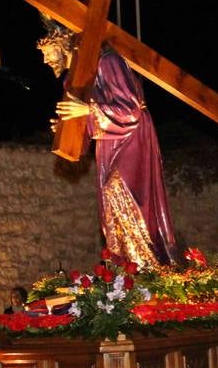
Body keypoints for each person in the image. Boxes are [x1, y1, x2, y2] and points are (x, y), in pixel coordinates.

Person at [39, 17, 178, 268]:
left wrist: (88, 111)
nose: (45, 60)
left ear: (65, 45)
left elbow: (130, 111)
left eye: (49, 52)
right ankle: (126, 269)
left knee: (125, 195)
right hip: (107, 143)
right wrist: (66, 127)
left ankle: (148, 265)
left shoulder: (108, 62)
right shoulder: (73, 81)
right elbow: (85, 129)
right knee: (111, 207)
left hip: (131, 139)